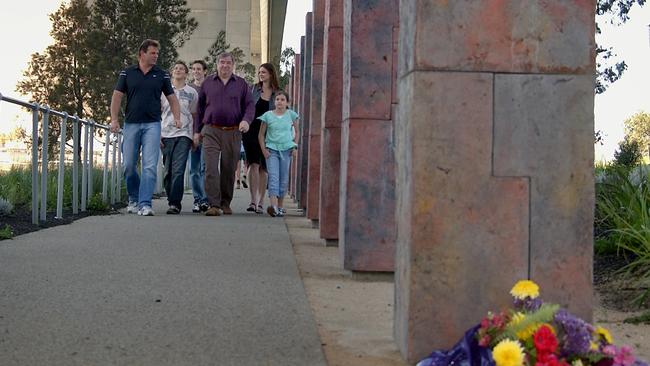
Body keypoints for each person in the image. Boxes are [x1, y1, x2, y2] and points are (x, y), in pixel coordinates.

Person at [110, 39, 180, 216]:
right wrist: (114, 120)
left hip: (152, 125)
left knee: (149, 166)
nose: (156, 56)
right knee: (128, 165)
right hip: (131, 124)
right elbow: (117, 96)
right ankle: (133, 198)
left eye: (157, 53)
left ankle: (145, 203)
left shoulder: (162, 74)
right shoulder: (127, 73)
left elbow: (172, 98)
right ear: (142, 53)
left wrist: (177, 118)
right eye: (152, 53)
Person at [194, 52, 254, 216]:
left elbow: (249, 105)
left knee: (228, 168)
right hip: (211, 130)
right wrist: (196, 132)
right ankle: (214, 204)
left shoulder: (241, 84)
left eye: (228, 63)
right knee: (211, 167)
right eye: (222, 62)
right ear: (217, 64)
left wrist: (246, 121)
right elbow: (199, 109)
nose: (225, 65)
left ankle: (225, 203)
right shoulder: (208, 83)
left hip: (233, 131)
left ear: (233, 65)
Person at [160, 61, 198, 214]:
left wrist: (195, 134)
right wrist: (158, 134)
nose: (178, 70)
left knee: (178, 169)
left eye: (181, 69)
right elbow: (157, 112)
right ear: (171, 72)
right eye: (175, 68)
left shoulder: (192, 93)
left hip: (184, 133)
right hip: (166, 133)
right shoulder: (163, 91)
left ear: (186, 73)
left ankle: (175, 203)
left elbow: (195, 114)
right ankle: (171, 199)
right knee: (168, 170)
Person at [243, 63, 279, 214]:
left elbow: (282, 112)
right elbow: (245, 106)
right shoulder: (252, 89)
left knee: (264, 167)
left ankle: (261, 201)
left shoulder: (277, 93)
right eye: (259, 72)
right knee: (253, 164)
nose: (261, 74)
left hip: (268, 133)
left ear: (271, 74)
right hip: (251, 131)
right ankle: (252, 200)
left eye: (263, 72)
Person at [258, 91, 299, 217]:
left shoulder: (291, 115)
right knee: (274, 177)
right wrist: (264, 149)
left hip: (286, 149)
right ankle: (274, 207)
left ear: (287, 102)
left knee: (283, 178)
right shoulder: (267, 116)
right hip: (271, 150)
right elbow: (261, 134)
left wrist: (295, 146)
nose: (279, 102)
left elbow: (297, 132)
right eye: (277, 99)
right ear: (274, 102)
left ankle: (280, 206)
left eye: (282, 99)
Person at [188, 59, 210, 213]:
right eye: (194, 69)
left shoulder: (209, 88)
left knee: (205, 168)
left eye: (199, 69)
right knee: (194, 169)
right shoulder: (188, 89)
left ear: (204, 71)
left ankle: (205, 200)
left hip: (207, 132)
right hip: (191, 132)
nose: (196, 71)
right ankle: (197, 199)